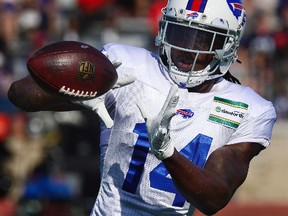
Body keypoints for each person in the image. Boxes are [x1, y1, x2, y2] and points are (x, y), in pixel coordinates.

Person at [7, 0, 277, 215]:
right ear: (164, 29)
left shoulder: (250, 108)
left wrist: (167, 152)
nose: (187, 50)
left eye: (203, 40)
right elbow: (20, 95)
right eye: (180, 33)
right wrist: (71, 93)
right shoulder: (128, 66)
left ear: (227, 45)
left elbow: (214, 199)